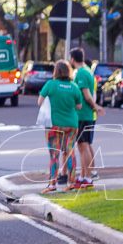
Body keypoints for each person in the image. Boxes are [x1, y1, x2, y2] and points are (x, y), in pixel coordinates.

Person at [37, 60, 82, 193]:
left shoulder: (51, 84)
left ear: (56, 71)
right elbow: (78, 106)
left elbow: (40, 102)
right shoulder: (74, 87)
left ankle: (52, 184)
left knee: (54, 155)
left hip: (53, 125)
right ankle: (71, 182)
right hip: (71, 125)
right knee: (70, 152)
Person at [70, 48, 105, 190]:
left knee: (83, 146)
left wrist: (95, 106)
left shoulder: (81, 73)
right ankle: (83, 176)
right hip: (85, 114)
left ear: (72, 59)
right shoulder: (87, 71)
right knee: (82, 146)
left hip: (83, 114)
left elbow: (86, 94)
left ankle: (87, 177)